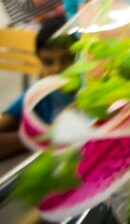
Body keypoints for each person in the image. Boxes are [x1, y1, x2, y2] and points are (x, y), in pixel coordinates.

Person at [0, 15, 74, 159]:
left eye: (68, 59)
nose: (57, 69)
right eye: (48, 62)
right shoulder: (40, 94)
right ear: (39, 60)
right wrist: (45, 134)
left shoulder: (92, 87)